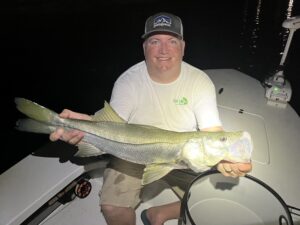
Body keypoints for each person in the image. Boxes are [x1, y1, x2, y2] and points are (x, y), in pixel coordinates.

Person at [50, 12, 252, 225]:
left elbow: (212, 131)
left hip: (183, 157)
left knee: (221, 205)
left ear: (183, 47)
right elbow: (113, 125)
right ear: (144, 47)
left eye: (172, 41)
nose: (164, 50)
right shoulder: (128, 81)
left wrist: (225, 157)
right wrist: (88, 125)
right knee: (112, 207)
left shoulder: (199, 82)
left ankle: (160, 213)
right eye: (155, 41)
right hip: (135, 152)